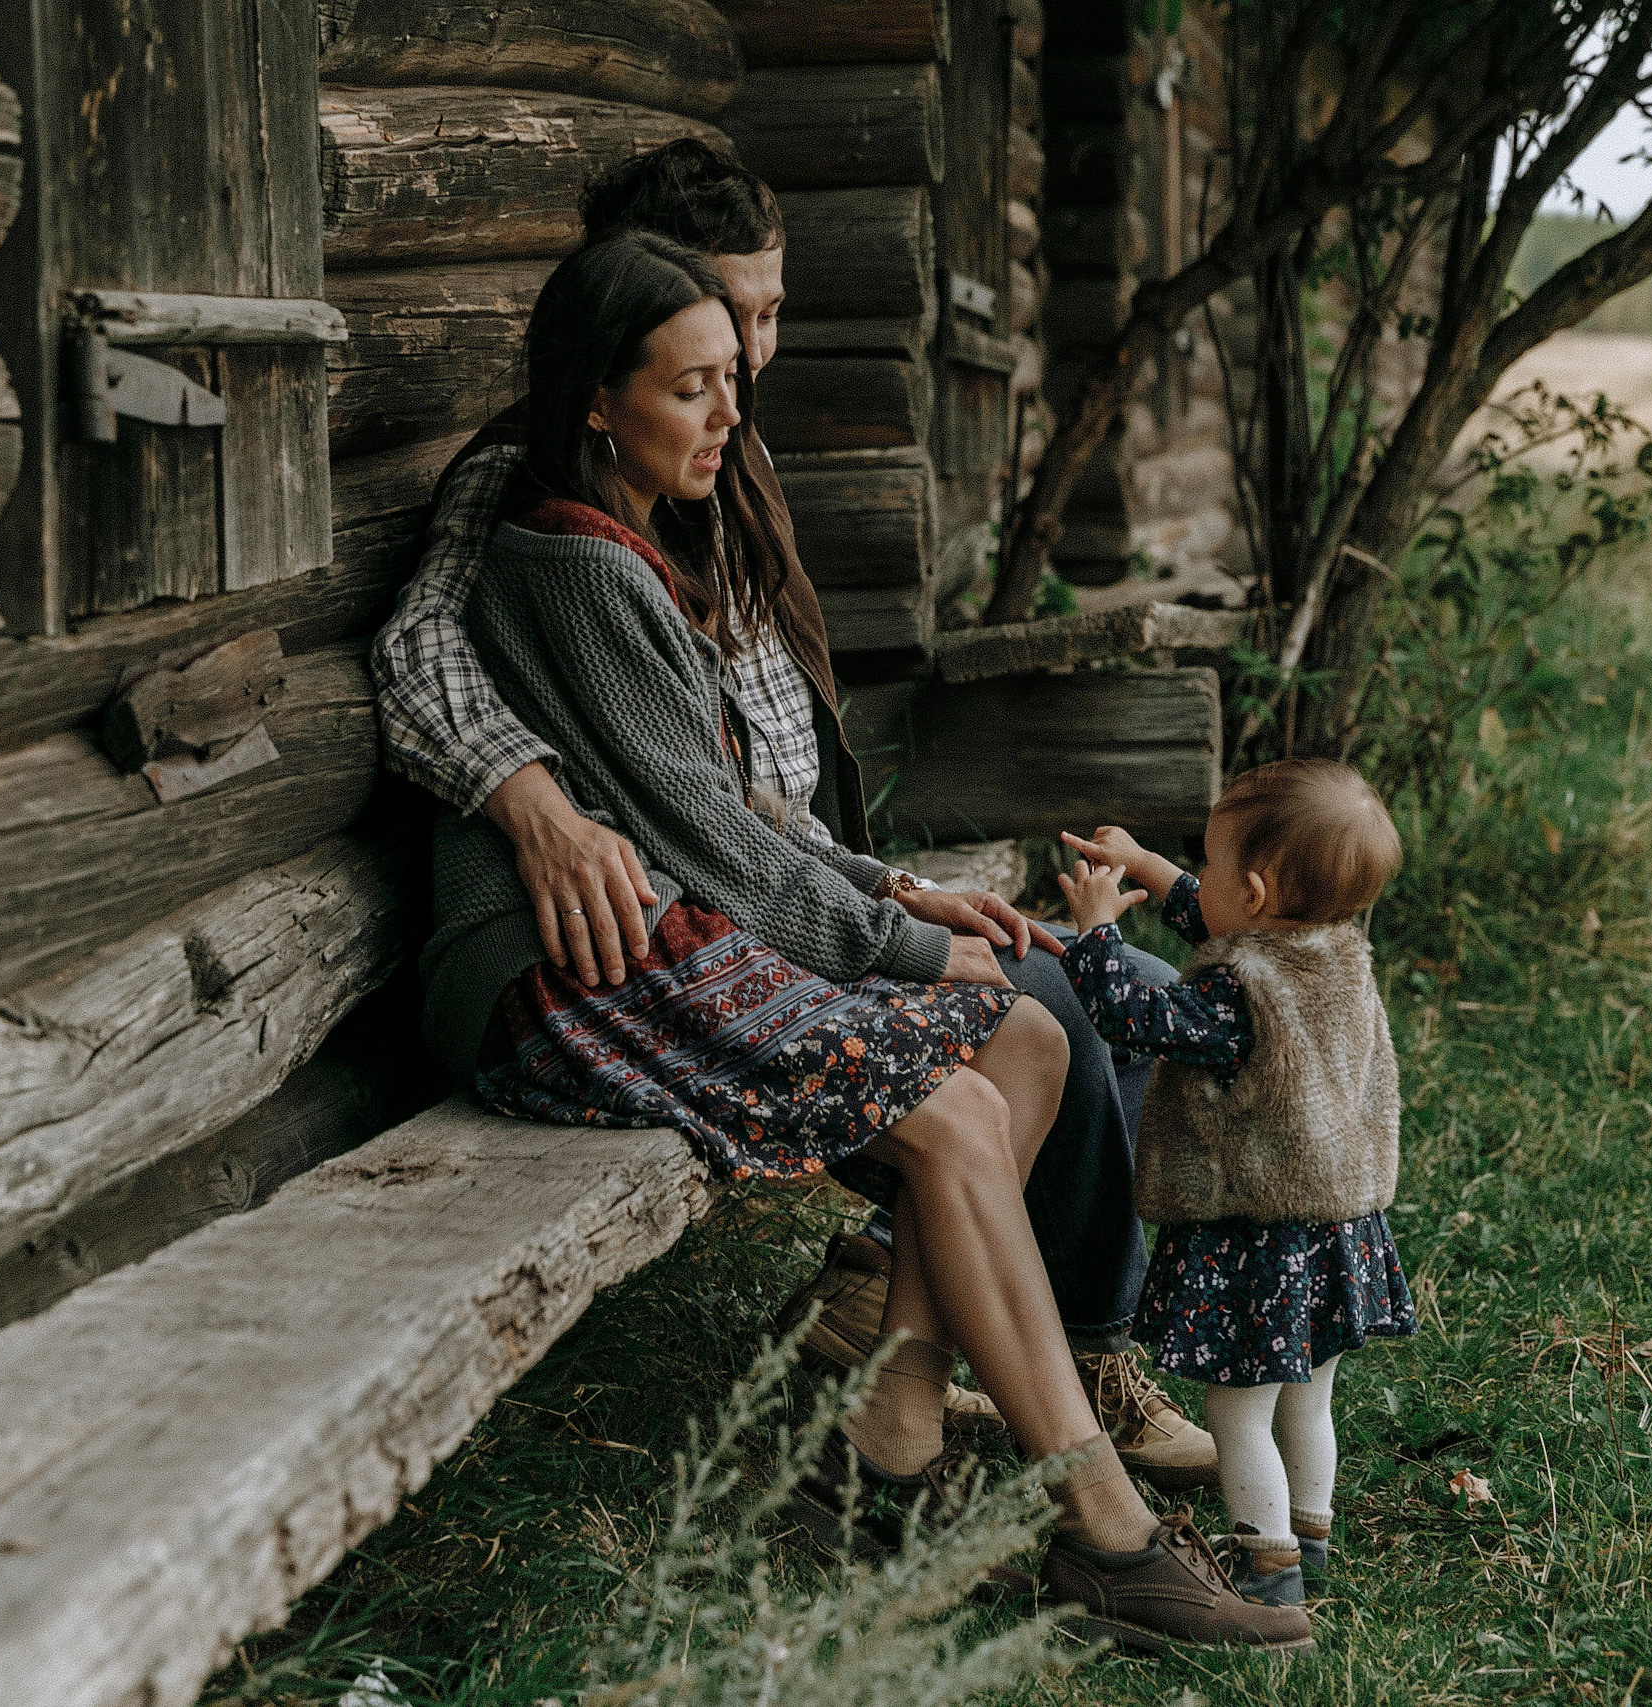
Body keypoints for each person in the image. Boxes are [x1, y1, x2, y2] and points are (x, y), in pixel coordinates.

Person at [421, 229, 1309, 1650]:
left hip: (661, 930)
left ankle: (883, 1434)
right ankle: (1104, 1532)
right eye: (694, 386)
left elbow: (725, 808)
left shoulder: (630, 540)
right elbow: (707, 840)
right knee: (959, 1103)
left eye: (734, 379)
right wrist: (894, 948)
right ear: (597, 398)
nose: (730, 413)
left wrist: (892, 892)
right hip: (560, 967)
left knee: (1020, 1030)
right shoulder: (567, 561)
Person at [1053, 760, 1419, 1607]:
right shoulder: (1333, 951)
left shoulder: (1237, 994)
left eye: (1210, 865)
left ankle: (1267, 1569)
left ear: (1254, 892)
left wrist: (1099, 931)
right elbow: (1217, 915)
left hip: (1258, 1238)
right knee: (1307, 1400)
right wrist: (1146, 863)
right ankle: (1313, 1534)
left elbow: (1135, 1017)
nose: (1200, 883)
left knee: (1238, 1415)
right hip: (1335, 1228)